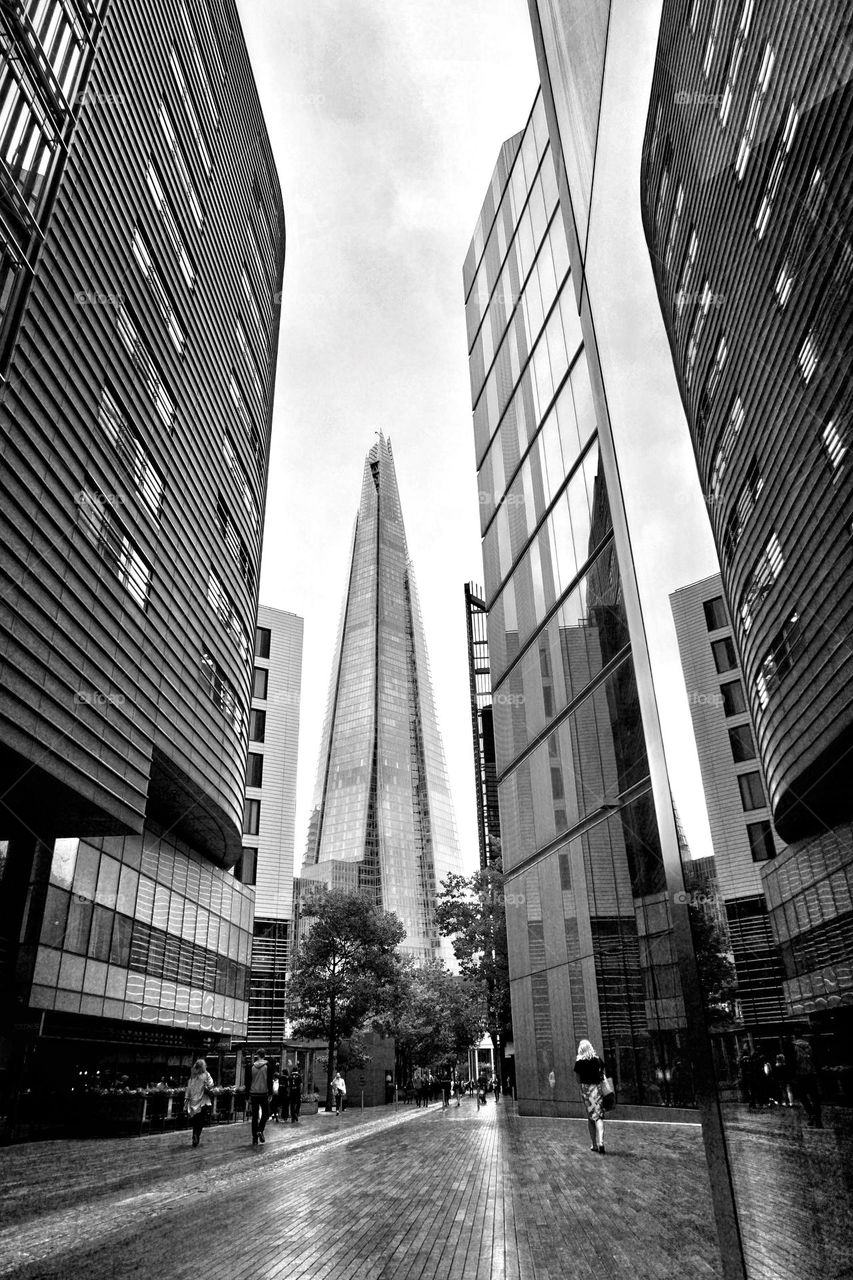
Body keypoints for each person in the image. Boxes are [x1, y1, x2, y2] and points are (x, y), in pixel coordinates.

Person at [573, 1038, 609, 1154]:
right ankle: (601, 1141)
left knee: (590, 1117)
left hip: (587, 1091)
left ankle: (594, 1144)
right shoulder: (598, 1060)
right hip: (597, 1089)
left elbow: (578, 1080)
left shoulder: (579, 1063)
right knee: (598, 1116)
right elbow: (603, 1074)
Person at [184, 1058, 214, 1148]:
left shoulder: (193, 1075)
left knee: (195, 1119)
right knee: (201, 1120)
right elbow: (211, 1084)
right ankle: (197, 1135)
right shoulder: (206, 1074)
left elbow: (189, 1087)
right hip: (203, 1101)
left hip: (194, 1101)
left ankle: (194, 1134)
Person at [248, 1049, 271, 1145]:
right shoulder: (267, 1066)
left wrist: (247, 1094)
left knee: (255, 1116)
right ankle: (260, 1130)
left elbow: (248, 1081)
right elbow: (269, 1080)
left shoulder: (252, 1066)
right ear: (264, 1055)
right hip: (264, 1093)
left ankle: (254, 1138)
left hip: (253, 1093)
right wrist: (270, 1093)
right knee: (266, 1113)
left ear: (257, 1055)